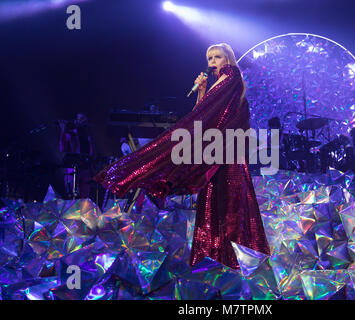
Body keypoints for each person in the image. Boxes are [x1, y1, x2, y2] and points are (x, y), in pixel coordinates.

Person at [94, 43, 270, 269]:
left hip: (226, 154)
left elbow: (205, 119)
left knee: (230, 204)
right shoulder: (223, 83)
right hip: (219, 154)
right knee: (217, 203)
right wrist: (202, 91)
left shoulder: (231, 74)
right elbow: (201, 115)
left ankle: (232, 260)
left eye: (217, 57)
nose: (212, 62)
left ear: (228, 59)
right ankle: (219, 260)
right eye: (209, 58)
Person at [59, 113, 95, 199]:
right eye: (80, 119)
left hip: (85, 166)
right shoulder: (71, 134)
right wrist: (63, 131)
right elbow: (62, 148)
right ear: (75, 121)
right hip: (73, 166)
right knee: (71, 192)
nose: (82, 121)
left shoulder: (88, 135)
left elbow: (92, 152)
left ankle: (83, 210)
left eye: (84, 119)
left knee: (85, 193)